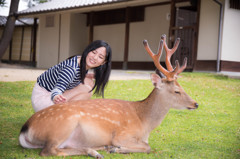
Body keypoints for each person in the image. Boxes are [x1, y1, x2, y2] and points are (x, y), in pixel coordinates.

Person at [31, 40, 112, 112]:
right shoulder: (71, 69)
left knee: (89, 82)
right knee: (87, 90)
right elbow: (58, 88)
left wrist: (86, 75)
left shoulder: (81, 61)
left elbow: (71, 76)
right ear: (88, 50)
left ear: (103, 62)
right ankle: (66, 114)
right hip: (43, 100)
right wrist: (56, 96)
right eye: (94, 52)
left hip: (47, 94)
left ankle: (67, 112)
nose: (94, 57)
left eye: (100, 57)